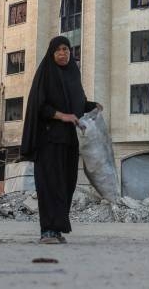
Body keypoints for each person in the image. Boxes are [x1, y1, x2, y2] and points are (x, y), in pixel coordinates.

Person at [20, 36, 102, 244]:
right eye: (58, 50)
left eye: (66, 49)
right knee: (50, 185)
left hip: (69, 141)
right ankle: (47, 230)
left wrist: (92, 106)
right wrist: (62, 116)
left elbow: (78, 104)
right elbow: (39, 106)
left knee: (66, 184)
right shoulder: (46, 74)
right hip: (48, 140)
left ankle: (56, 229)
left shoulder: (73, 74)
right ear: (52, 53)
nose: (63, 53)